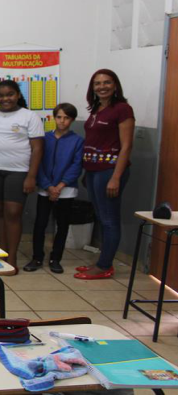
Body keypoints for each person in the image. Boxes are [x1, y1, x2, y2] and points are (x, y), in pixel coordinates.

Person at [75, 69, 134, 280]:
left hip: (109, 171)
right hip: (93, 171)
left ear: (115, 85)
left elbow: (126, 146)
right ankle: (102, 262)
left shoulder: (123, 109)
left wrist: (116, 177)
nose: (102, 86)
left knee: (109, 219)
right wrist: (86, 170)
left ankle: (104, 266)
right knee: (102, 217)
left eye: (107, 82)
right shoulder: (97, 109)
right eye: (98, 83)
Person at [0, 80, 44, 270]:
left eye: (9, 94)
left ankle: (12, 258)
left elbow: (38, 148)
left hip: (19, 172)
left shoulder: (30, 117)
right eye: (0, 95)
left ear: (18, 95)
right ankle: (3, 253)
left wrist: (31, 176)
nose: (5, 98)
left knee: (13, 213)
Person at [24, 103, 84, 274]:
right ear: (53, 118)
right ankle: (37, 257)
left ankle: (55, 258)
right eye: (59, 117)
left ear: (72, 120)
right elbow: (38, 163)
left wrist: (60, 186)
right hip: (45, 188)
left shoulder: (77, 141)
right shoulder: (44, 138)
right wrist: (48, 186)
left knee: (62, 224)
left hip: (66, 190)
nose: (62, 121)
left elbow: (76, 165)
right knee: (40, 223)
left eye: (66, 118)